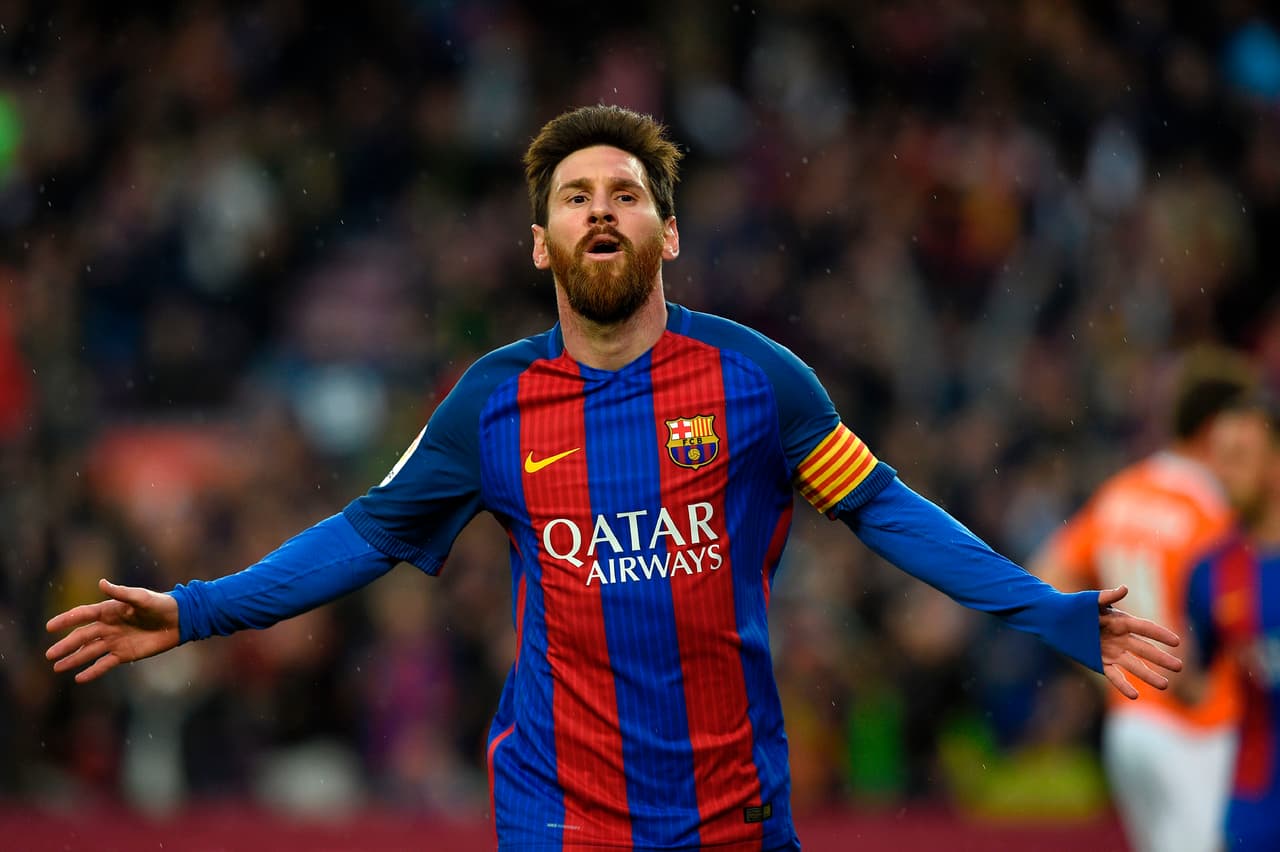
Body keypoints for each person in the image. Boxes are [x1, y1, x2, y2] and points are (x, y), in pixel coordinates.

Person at [47, 105, 1181, 852]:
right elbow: (367, 533)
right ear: (539, 243)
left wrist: (1049, 614)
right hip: (557, 808)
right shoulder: (486, 403)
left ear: (668, 234)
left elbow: (884, 508)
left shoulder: (758, 381)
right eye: (575, 195)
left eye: (625, 193)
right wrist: (195, 611)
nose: (601, 207)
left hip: (733, 806)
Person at [1030, 347, 1262, 852]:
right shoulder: (1217, 510)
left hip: (1127, 723)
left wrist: (1093, 664)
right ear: (1218, 428)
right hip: (1197, 727)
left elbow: (1044, 575)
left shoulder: (1122, 492)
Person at [1185, 403, 1280, 851]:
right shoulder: (1210, 572)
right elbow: (1193, 683)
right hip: (1255, 801)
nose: (1224, 471)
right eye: (1219, 457)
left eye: (1240, 455)